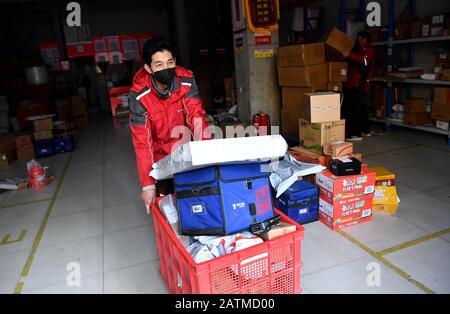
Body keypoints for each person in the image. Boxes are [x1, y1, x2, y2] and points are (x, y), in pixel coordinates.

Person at [129, 36, 210, 213]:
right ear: (148, 68)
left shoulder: (186, 80)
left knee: (196, 203)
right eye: (159, 65)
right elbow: (142, 142)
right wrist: (147, 185)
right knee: (170, 209)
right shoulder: (139, 95)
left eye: (169, 62)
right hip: (161, 161)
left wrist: (207, 156)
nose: (166, 68)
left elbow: (196, 119)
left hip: (185, 154)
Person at [342, 30, 375, 141]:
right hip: (355, 84)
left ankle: (356, 133)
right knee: (361, 108)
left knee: (354, 109)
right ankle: (365, 130)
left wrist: (350, 54)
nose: (357, 40)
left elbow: (364, 61)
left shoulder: (368, 50)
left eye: (359, 38)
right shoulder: (359, 50)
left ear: (364, 39)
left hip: (358, 85)